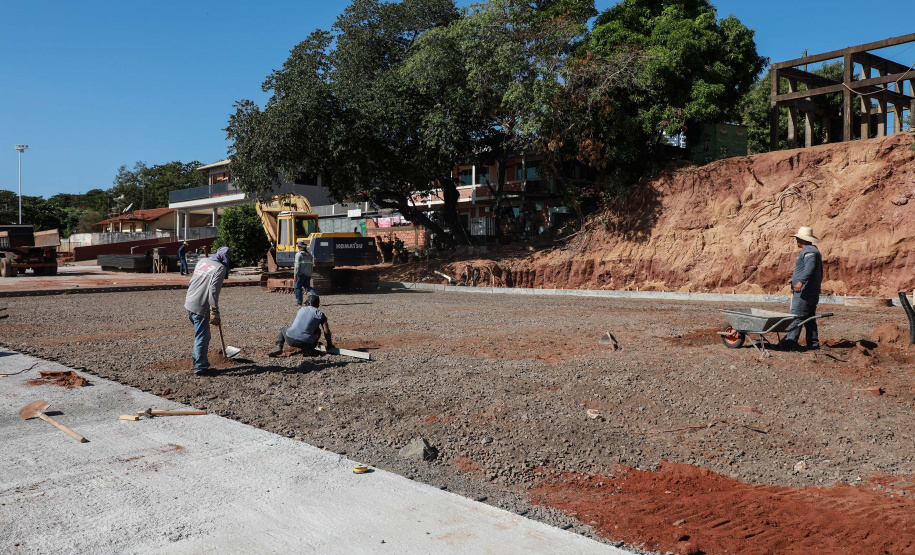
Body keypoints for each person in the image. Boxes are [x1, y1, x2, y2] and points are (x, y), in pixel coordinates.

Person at [184, 246, 232, 375]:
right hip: (200, 306)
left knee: (202, 334)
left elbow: (192, 281)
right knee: (202, 336)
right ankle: (200, 367)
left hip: (189, 302)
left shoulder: (203, 261)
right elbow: (213, 291)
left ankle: (197, 359)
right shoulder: (220, 268)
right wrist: (214, 310)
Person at [782, 226, 823, 351]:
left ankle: (790, 342)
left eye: (798, 238)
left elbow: (810, 268)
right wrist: (794, 279)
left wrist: (800, 282)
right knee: (809, 318)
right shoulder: (811, 251)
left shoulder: (809, 251)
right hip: (810, 290)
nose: (796, 240)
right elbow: (806, 269)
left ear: (802, 239)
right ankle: (813, 342)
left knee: (796, 316)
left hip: (805, 291)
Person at [268, 293, 333, 356]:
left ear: (308, 303)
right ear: (318, 305)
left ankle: (279, 346)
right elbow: (326, 332)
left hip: (290, 340)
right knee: (318, 330)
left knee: (282, 330)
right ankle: (310, 349)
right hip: (307, 343)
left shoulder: (301, 309)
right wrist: (329, 345)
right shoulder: (321, 314)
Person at [293, 240, 315, 305]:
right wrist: (310, 273)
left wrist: (295, 275)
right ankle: (314, 296)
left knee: (297, 287)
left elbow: (297, 266)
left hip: (300, 274)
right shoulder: (309, 255)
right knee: (308, 287)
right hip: (308, 274)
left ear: (299, 247)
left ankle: (299, 302)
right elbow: (311, 265)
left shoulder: (298, 255)